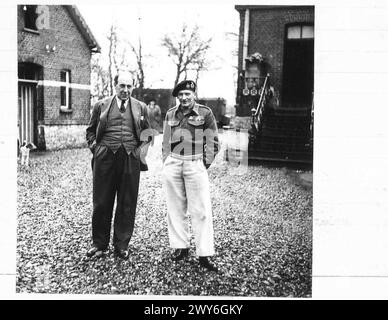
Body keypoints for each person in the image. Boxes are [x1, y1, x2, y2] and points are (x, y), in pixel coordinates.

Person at [86, 72, 153, 260]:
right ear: (115, 86)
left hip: (130, 158)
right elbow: (90, 131)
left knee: (127, 202)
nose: (125, 90)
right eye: (122, 86)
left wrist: (139, 153)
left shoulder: (141, 107)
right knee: (101, 201)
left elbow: (148, 134)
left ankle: (121, 244)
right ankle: (99, 244)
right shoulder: (101, 105)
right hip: (105, 157)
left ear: (133, 87)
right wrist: (96, 149)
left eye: (129, 86)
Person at [161, 80, 219, 272]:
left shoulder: (205, 113)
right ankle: (180, 247)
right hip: (174, 163)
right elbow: (166, 141)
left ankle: (204, 254)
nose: (184, 98)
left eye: (187, 94)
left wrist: (204, 164)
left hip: (195, 163)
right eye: (181, 95)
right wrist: (167, 160)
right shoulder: (171, 114)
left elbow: (213, 142)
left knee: (201, 210)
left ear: (194, 95)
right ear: (177, 97)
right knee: (175, 208)